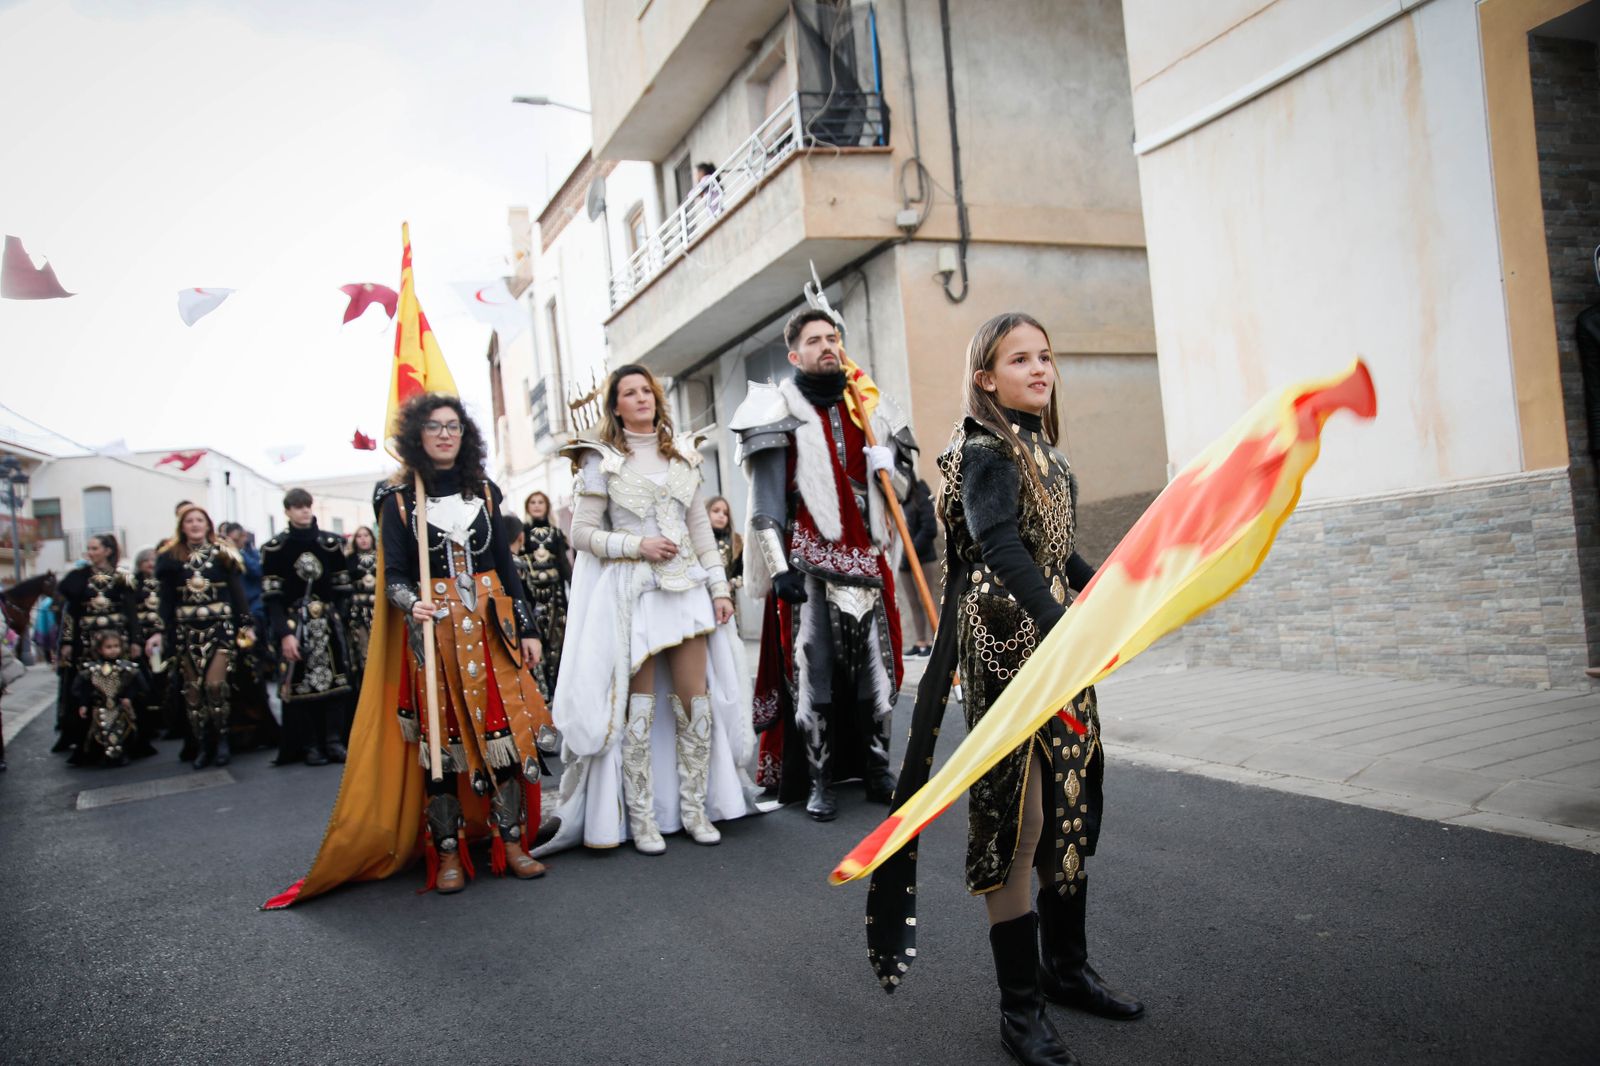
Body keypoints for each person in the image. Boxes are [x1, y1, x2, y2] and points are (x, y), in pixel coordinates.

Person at [866, 312, 1142, 1066]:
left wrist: (1113, 592)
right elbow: (999, 547)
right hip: (1010, 653)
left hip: (1059, 651)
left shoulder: (1040, 449)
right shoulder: (985, 449)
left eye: (1045, 356)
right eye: (1019, 358)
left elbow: (1054, 551)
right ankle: (1020, 1013)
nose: (1039, 368)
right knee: (1017, 825)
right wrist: (1062, 624)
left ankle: (1067, 968)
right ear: (985, 377)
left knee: (1071, 812)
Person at [536, 364, 759, 857]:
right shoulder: (601, 462)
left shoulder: (683, 457)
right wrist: (637, 544)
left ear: (656, 399)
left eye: (646, 391)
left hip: (688, 594)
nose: (640, 399)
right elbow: (581, 535)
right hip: (633, 597)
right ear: (615, 406)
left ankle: (694, 810)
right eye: (629, 393)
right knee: (637, 709)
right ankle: (641, 819)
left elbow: (701, 530)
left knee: (693, 702)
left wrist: (721, 590)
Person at [731, 304, 916, 820]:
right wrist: (779, 567)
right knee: (815, 674)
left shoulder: (871, 406)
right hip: (810, 564)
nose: (827, 346)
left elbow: (905, 492)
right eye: (814, 340)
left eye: (832, 337)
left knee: (878, 671)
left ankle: (879, 769)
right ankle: (819, 780)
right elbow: (765, 504)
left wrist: (892, 469)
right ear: (795, 353)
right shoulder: (775, 408)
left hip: (870, 561)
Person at [378, 393, 552, 892]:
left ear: (464, 434)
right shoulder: (397, 502)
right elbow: (393, 575)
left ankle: (513, 845)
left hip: (492, 631)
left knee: (508, 739)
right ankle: (448, 855)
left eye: (453, 426)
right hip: (436, 636)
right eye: (434, 427)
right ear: (417, 436)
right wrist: (412, 602)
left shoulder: (487, 493)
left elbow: (506, 568)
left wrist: (530, 629)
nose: (445, 435)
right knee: (444, 748)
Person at [146, 505, 255, 770]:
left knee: (215, 687)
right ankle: (203, 744)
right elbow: (166, 600)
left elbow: (236, 592)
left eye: (199, 520)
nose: (195, 525)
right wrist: (160, 631)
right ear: (182, 526)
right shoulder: (170, 557)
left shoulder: (223, 554)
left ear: (208, 524)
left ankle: (223, 741)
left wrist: (246, 624)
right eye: (189, 521)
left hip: (218, 628)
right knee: (193, 692)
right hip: (186, 632)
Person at [261, 489, 355, 767]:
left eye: (307, 506)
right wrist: (285, 635)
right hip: (296, 624)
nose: (304, 511)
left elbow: (342, 589)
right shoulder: (275, 548)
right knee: (302, 688)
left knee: (337, 684)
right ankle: (311, 744)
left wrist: (337, 618)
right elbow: (272, 600)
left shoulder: (330, 544)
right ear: (287, 511)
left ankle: (335, 741)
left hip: (327, 623)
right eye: (297, 507)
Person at [53, 534, 141, 756]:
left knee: (121, 684)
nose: (90, 552)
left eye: (94, 548)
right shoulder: (78, 578)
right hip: (87, 644)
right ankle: (90, 741)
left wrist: (135, 640)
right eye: (89, 548)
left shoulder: (122, 577)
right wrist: (66, 642)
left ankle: (125, 739)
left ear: (107, 551)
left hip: (116, 641)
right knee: (89, 686)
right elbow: (70, 614)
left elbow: (131, 612)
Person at [67, 629, 156, 767]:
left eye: (116, 646)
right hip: (100, 707)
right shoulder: (92, 669)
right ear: (100, 649)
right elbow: (86, 689)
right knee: (98, 731)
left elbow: (136, 686)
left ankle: (125, 753)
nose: (113, 650)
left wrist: (129, 697)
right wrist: (84, 704)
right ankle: (101, 755)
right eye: (109, 647)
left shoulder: (126, 668)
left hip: (121, 706)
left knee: (124, 730)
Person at [519, 491, 571, 701]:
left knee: (557, 642)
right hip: (532, 596)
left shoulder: (556, 534)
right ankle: (539, 689)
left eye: (541, 502)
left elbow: (563, 564)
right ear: (527, 506)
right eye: (533, 502)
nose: (537, 505)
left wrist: (573, 586)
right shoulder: (522, 532)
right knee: (535, 641)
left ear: (547, 506)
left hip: (555, 596)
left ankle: (558, 686)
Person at [898, 476, 938, 656]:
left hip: (922, 558)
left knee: (926, 599)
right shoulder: (899, 498)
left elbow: (930, 527)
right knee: (913, 602)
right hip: (903, 560)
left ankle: (933, 641)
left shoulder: (920, 495)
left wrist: (911, 549)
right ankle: (920, 641)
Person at [344, 525, 378, 691]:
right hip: (358, 613)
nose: (363, 539)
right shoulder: (349, 559)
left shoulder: (382, 557)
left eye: (366, 535)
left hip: (380, 612)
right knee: (363, 650)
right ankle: (367, 688)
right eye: (359, 536)